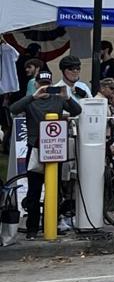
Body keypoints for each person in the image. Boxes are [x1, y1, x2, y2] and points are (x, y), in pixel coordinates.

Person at [8, 70, 81, 239]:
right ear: (36, 84)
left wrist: (67, 96)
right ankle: (32, 228)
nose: (45, 88)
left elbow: (77, 111)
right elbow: (13, 109)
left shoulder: (58, 99)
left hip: (55, 150)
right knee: (33, 191)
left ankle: (52, 224)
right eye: (42, 84)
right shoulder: (31, 101)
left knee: (54, 191)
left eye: (48, 85)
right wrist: (33, 96)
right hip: (35, 149)